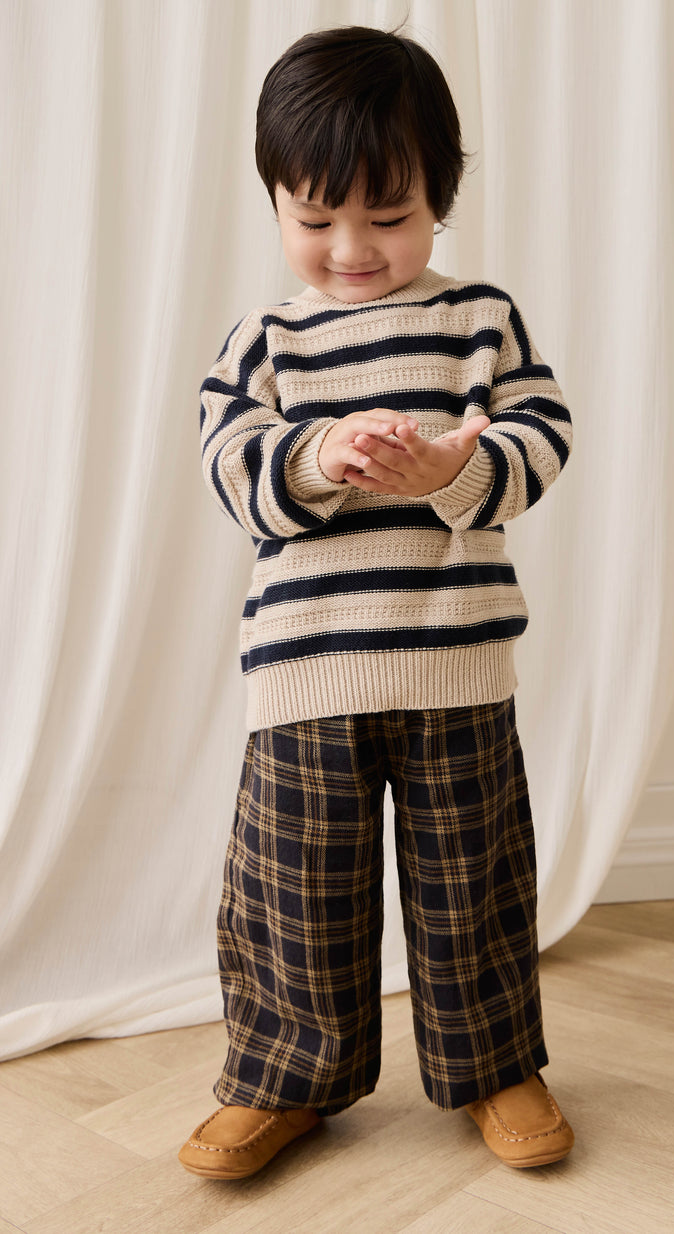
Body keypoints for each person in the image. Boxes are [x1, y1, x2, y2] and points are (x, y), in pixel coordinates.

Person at [179, 24, 574, 1181]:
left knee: (474, 883)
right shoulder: (263, 343)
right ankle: (285, 1077)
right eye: (314, 220)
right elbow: (232, 471)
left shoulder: (481, 322)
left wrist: (449, 472)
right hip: (306, 669)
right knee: (294, 890)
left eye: (388, 217)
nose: (351, 248)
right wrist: (316, 458)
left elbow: (543, 443)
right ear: (275, 204)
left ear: (440, 197)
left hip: (455, 659)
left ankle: (496, 1060)